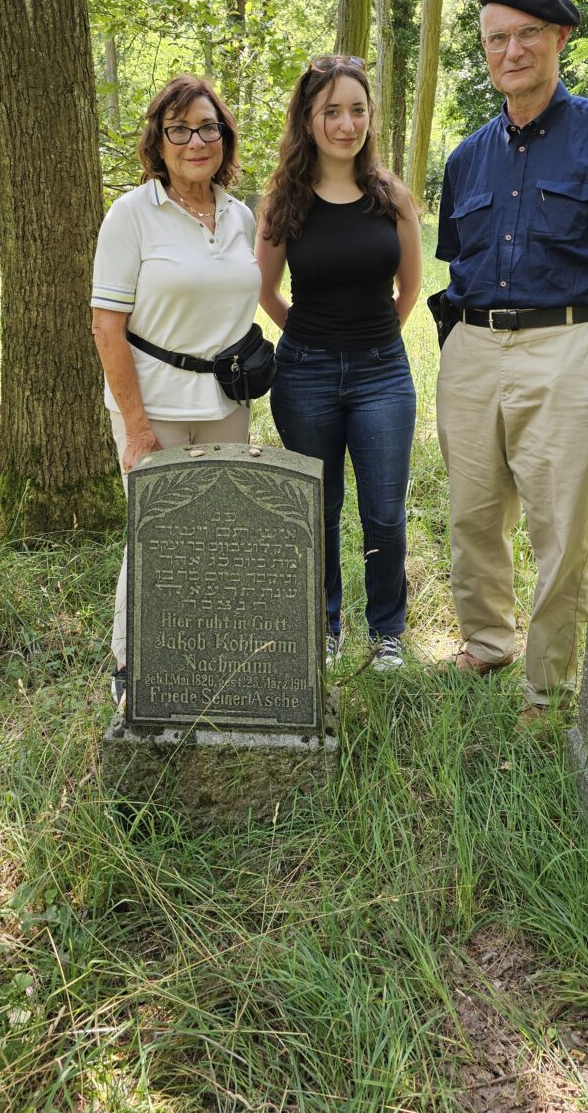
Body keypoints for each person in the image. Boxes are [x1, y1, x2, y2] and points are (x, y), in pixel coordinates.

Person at [435, 0, 588, 726]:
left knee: (562, 524)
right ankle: (486, 641)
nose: (511, 51)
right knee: (473, 511)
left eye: (526, 34)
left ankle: (548, 684)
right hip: (472, 347)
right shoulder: (467, 158)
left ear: (559, 37)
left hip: (572, 345)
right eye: (496, 38)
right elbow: (456, 261)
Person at [92, 75, 261, 706]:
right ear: (158, 142)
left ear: (224, 136)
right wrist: (136, 426)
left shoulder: (240, 215)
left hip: (225, 406)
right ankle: (132, 663)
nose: (196, 140)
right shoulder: (132, 215)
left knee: (218, 536)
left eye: (208, 126)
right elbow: (106, 325)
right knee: (155, 540)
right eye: (180, 129)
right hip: (154, 409)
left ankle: (204, 658)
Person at [256, 55, 422, 671]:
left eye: (357, 109)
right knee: (317, 508)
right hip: (305, 375)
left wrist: (373, 340)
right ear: (308, 119)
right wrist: (309, 338)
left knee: (383, 510)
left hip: (384, 373)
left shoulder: (391, 195)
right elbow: (265, 289)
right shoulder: (284, 201)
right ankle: (325, 628)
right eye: (332, 111)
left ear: (370, 117)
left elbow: (410, 286)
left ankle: (387, 634)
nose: (346, 123)